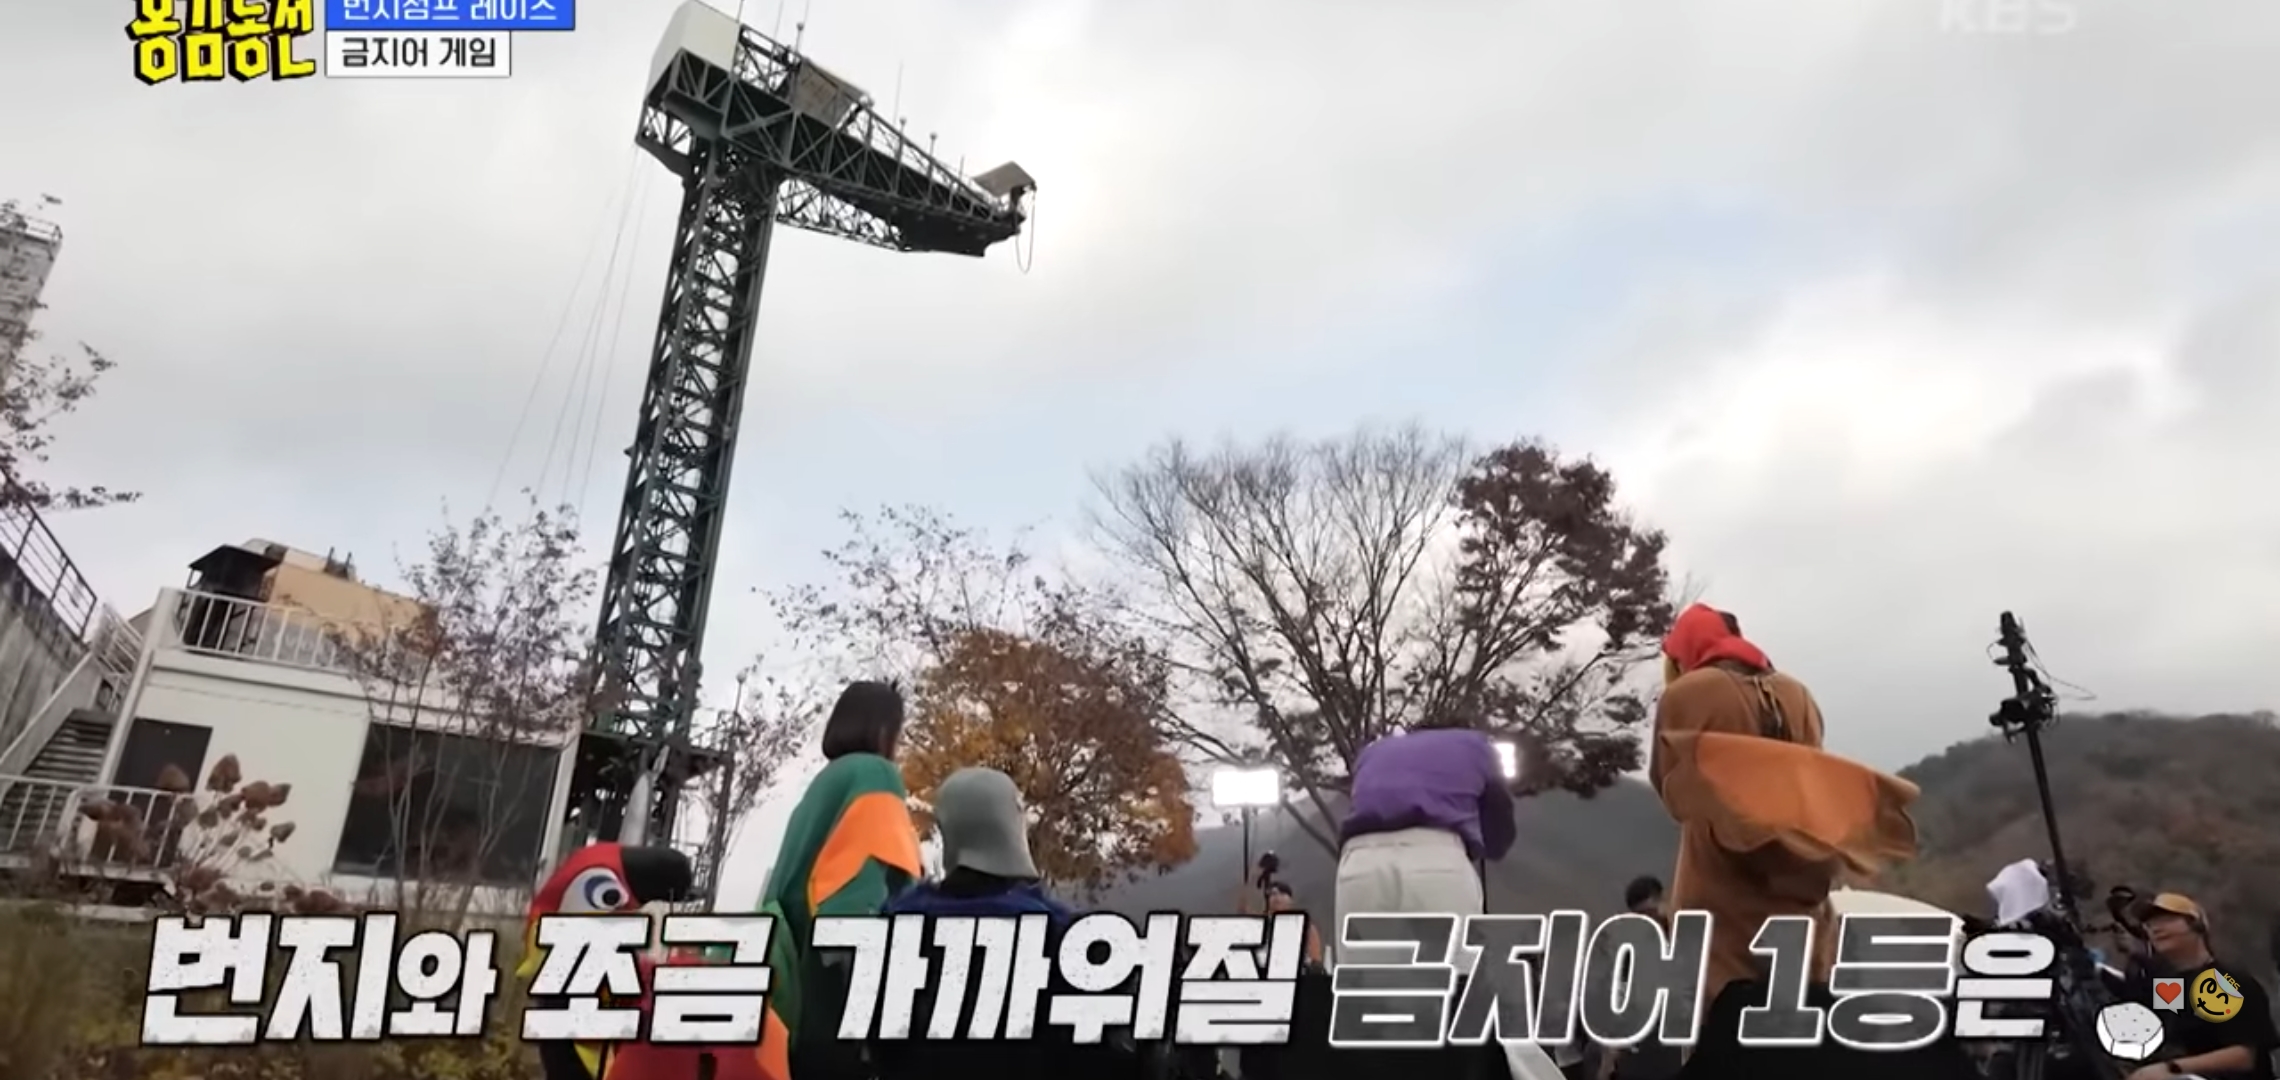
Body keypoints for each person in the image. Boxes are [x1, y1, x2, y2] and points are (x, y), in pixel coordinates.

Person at [1648, 603, 1918, 1010]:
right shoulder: (1797, 693)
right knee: (1802, 1008)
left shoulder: (1687, 694)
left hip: (1720, 881)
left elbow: (1670, 787)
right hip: (1801, 870)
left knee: (1722, 1013)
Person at [756, 681, 925, 1080]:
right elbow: (855, 898)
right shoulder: (876, 775)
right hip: (833, 1001)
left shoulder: (827, 781)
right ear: (884, 729)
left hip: (791, 990)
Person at [1334, 718, 1516, 966]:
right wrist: (1487, 847)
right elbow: (1499, 825)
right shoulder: (1476, 744)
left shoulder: (1373, 752)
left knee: (1367, 982)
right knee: (1452, 979)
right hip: (1436, 856)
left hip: (1359, 863)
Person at [2121, 893, 2277, 1080]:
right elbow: (2171, 1040)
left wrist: (2172, 1068)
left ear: (2196, 926)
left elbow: (2243, 1056)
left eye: (2167, 920)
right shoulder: (2169, 985)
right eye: (2150, 924)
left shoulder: (2222, 980)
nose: (2156, 928)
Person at [1264, 881, 1325, 970]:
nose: (1277, 897)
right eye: (1273, 894)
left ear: (1291, 900)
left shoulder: (1306, 926)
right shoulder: (1261, 925)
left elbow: (1315, 958)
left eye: (1282, 893)